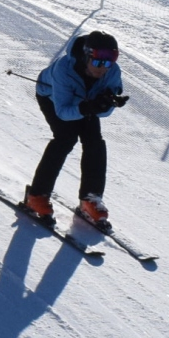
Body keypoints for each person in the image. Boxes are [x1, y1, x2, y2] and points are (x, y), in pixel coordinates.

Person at [24, 31, 127, 227]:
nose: (103, 68)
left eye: (109, 62)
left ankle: (90, 198)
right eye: (98, 62)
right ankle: (36, 195)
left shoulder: (113, 72)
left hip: (86, 101)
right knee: (66, 138)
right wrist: (87, 108)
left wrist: (105, 104)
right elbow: (63, 112)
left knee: (95, 142)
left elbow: (104, 112)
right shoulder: (63, 69)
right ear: (86, 56)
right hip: (53, 98)